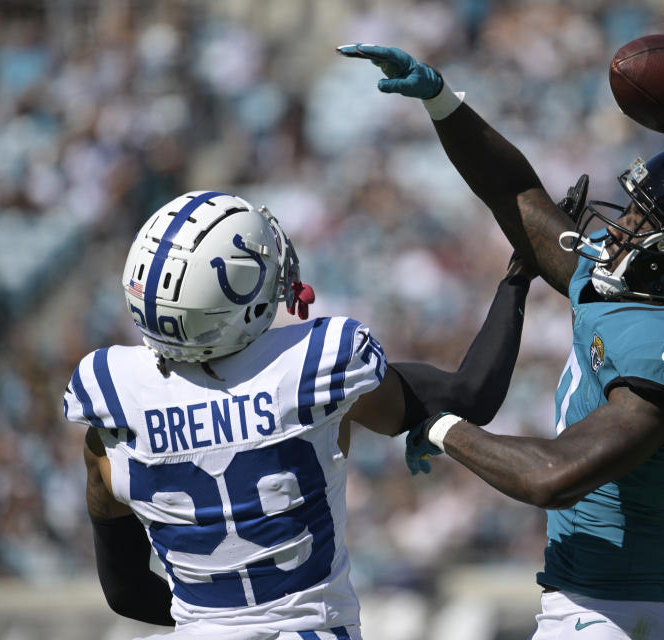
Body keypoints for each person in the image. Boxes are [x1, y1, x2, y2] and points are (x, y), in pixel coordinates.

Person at [340, 44, 664, 640]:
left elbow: (556, 473)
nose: (619, 226)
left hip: (609, 619)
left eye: (642, 221)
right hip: (604, 613)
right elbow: (517, 195)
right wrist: (443, 102)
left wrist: (443, 426)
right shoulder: (630, 294)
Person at [63, 191, 534, 639]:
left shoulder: (112, 394)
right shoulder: (313, 369)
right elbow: (471, 394)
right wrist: (518, 275)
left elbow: (126, 591)